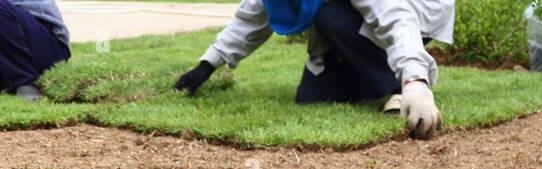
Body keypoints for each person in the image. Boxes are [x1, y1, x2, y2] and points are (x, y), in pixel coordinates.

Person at [173, 0, 453, 139]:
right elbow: (252, 17)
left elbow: (396, 20)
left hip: (414, 11)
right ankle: (375, 77)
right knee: (311, 95)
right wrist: (208, 64)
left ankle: (396, 86)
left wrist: (415, 82)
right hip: (357, 16)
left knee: (330, 16)